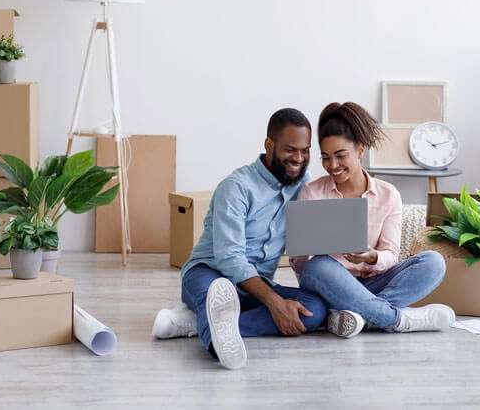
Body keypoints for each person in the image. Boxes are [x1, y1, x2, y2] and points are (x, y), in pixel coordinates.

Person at [167, 108, 328, 370]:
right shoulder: (236, 187)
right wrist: (275, 302)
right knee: (215, 292)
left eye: (305, 150)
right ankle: (216, 339)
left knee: (314, 309)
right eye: (290, 149)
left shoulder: (302, 183)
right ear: (269, 144)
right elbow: (229, 258)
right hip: (210, 273)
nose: (299, 158)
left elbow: (311, 237)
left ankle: (203, 323)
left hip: (256, 285)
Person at [291, 102, 454, 338]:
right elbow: (301, 265)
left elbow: (390, 254)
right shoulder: (311, 193)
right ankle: (398, 319)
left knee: (433, 262)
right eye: (325, 158)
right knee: (319, 265)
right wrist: (305, 247)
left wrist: (370, 256)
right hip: (329, 287)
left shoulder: (388, 195)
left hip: (374, 282)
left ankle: (357, 317)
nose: (332, 166)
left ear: (360, 149)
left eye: (340, 155)